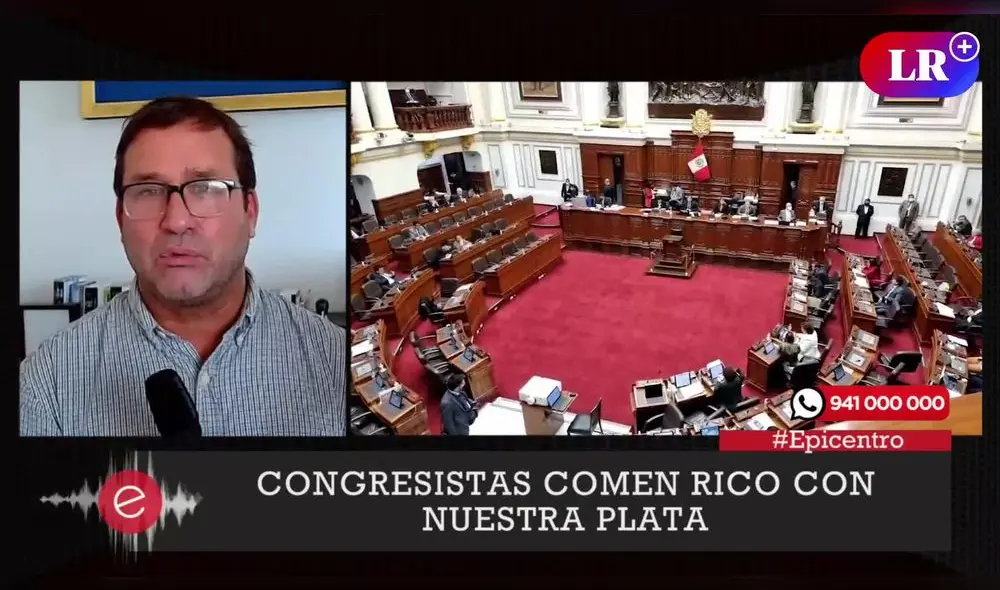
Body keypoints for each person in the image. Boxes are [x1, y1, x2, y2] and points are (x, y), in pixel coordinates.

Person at [19, 97, 345, 436]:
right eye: (148, 191)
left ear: (250, 212)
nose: (176, 221)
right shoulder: (47, 383)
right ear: (120, 219)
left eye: (206, 189)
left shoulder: (334, 359)